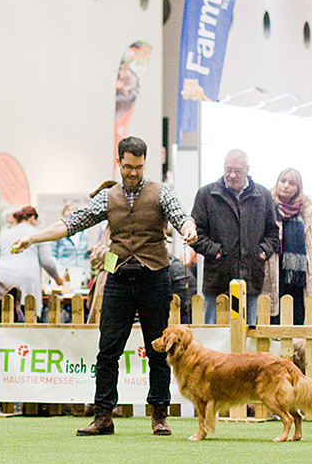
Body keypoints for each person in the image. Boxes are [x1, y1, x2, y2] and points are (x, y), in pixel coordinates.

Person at [12, 136, 197, 436]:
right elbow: (71, 223)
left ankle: (159, 415)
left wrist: (188, 229)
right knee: (107, 351)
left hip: (155, 276)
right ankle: (103, 416)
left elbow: (180, 216)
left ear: (145, 163)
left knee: (158, 351)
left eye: (138, 167)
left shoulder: (162, 192)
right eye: (127, 166)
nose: (133, 172)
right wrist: (33, 237)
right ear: (119, 162)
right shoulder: (107, 196)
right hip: (119, 277)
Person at [190, 149, 279, 324]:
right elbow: (196, 233)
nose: (232, 175)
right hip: (217, 278)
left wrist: (261, 252)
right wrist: (215, 252)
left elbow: (273, 234)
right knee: (214, 337)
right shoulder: (206, 195)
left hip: (251, 277)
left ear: (248, 170)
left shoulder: (263, 196)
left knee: (248, 336)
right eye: (228, 169)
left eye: (237, 170)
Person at [261, 168, 312, 325]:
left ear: (298, 187)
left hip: (301, 281)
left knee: (299, 324)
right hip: (272, 276)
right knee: (273, 326)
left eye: (292, 183)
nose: (286, 186)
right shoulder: (266, 207)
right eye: (283, 181)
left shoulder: (308, 212)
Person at [0, 206, 63, 303]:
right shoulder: (38, 234)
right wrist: (57, 278)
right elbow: (47, 262)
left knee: (5, 311)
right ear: (33, 219)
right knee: (28, 311)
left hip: (2, 277)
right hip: (27, 279)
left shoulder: (5, 234)